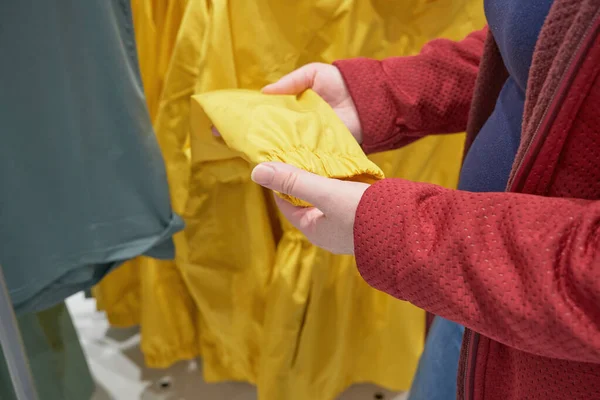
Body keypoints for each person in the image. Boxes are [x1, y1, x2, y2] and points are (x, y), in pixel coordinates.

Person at [243, 0, 600, 399]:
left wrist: (398, 234)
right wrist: (384, 93)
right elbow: (552, 43)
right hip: (467, 289)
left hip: (556, 360)